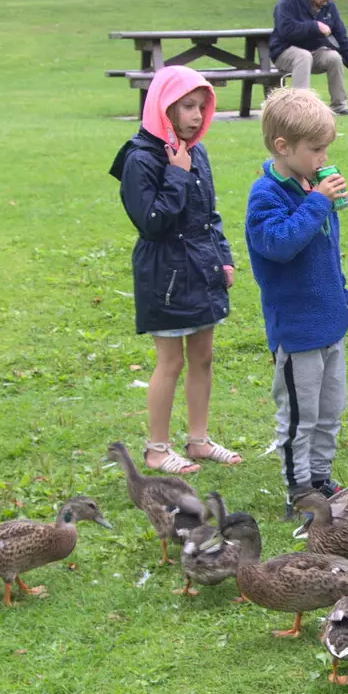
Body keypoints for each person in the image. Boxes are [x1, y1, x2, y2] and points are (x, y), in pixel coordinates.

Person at [109, 65, 242, 475]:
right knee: (171, 360)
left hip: (201, 269)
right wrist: (176, 175)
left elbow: (208, 214)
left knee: (203, 356)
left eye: (201, 107)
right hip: (164, 274)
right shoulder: (141, 159)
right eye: (187, 107)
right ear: (163, 107)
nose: (197, 116)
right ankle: (156, 448)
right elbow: (152, 221)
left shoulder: (193, 149)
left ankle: (198, 440)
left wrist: (223, 256)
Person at [245, 88, 348, 514]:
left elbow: (326, 252)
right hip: (297, 327)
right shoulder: (266, 194)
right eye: (316, 149)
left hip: (330, 322)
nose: (323, 157)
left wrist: (341, 297)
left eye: (327, 147)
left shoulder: (311, 185)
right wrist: (317, 203)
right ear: (282, 147)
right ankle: (297, 490)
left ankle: (321, 479)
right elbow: (279, 243)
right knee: (298, 416)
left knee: (330, 410)